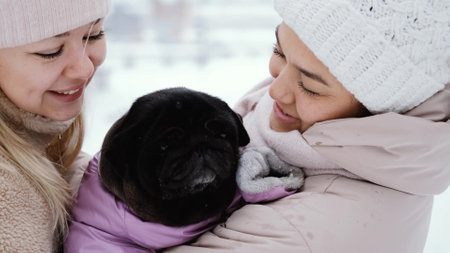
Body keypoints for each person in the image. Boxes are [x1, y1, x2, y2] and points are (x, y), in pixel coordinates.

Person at [164, 0, 450, 252]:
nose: (275, 91)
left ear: (376, 110)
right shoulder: (303, 118)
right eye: (279, 52)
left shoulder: (312, 232)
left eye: (310, 86)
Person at [0, 0, 110, 252]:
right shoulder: (7, 197)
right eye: (50, 51)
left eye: (94, 35)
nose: (84, 69)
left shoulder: (45, 149)